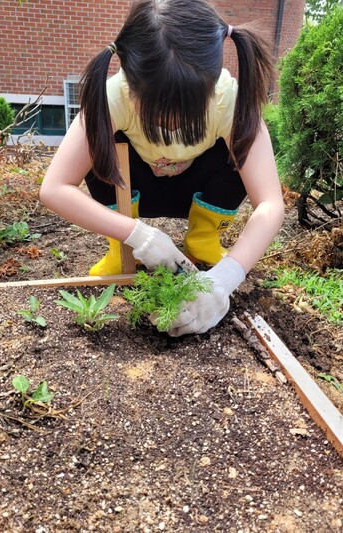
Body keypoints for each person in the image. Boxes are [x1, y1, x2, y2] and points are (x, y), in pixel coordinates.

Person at [40, 0, 285, 337]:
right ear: (129, 79)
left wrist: (225, 278)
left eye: (189, 112)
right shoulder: (114, 96)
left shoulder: (229, 100)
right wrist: (136, 234)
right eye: (157, 112)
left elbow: (270, 204)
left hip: (199, 190)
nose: (172, 125)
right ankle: (121, 251)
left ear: (210, 87)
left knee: (239, 151)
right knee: (100, 146)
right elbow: (54, 187)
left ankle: (203, 240)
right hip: (137, 190)